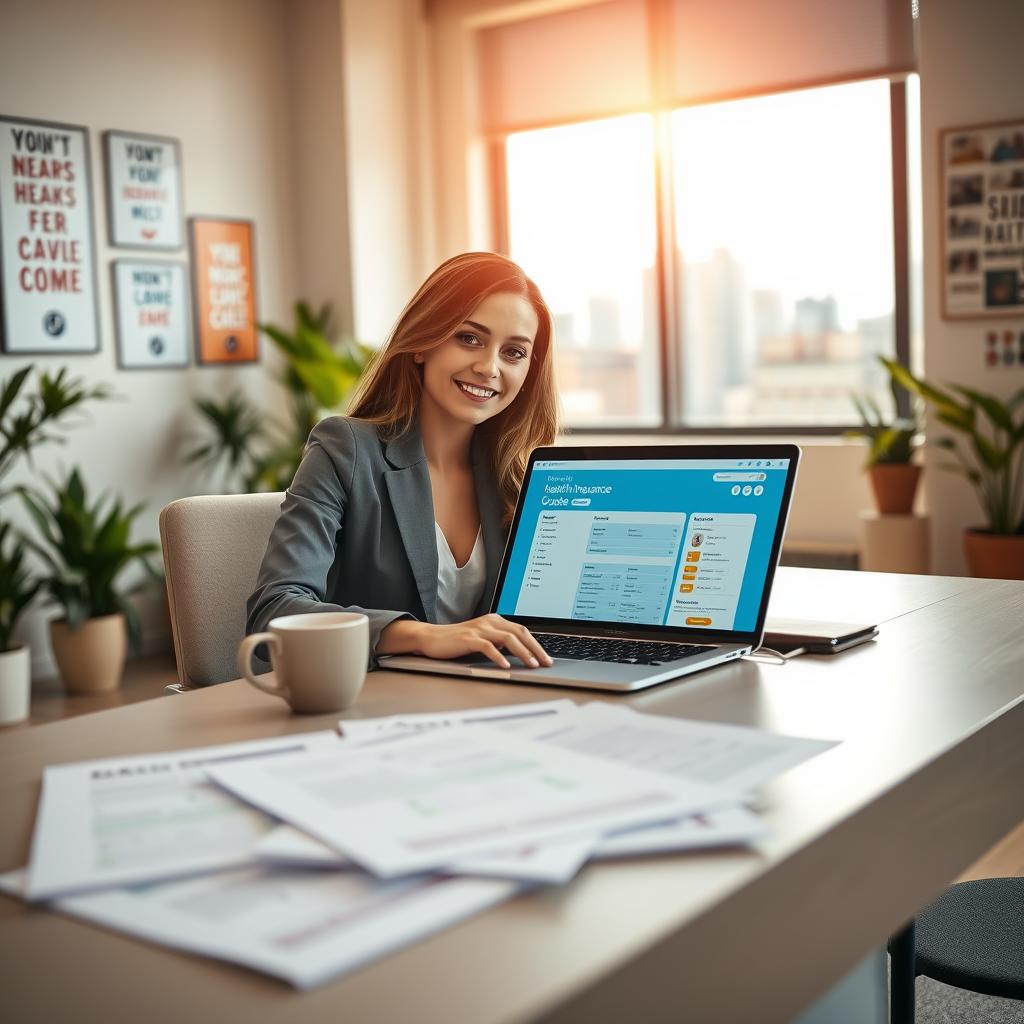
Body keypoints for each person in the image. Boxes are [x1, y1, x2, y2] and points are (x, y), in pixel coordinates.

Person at [246, 252, 557, 671]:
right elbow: (274, 611)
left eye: (514, 353)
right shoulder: (345, 449)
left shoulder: (520, 477)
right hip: (376, 702)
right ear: (423, 344)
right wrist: (422, 637)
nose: (488, 367)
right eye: (468, 338)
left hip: (498, 694)